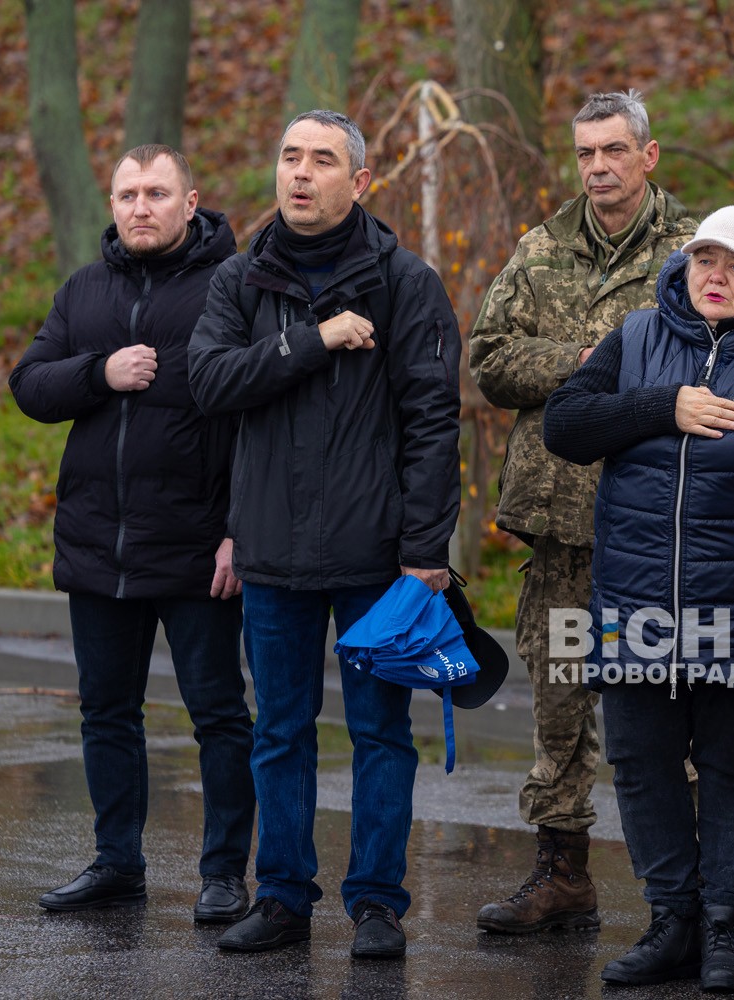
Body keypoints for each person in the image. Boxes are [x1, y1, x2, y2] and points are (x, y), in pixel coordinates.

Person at [188, 110, 461, 960]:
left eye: (322, 161)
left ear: (361, 182)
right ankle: (282, 899)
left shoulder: (404, 281)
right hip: (271, 551)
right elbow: (209, 383)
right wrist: (313, 340)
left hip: (376, 557)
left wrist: (424, 554)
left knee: (381, 734)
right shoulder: (239, 280)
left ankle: (377, 903)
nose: (300, 174)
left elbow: (431, 421)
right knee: (281, 730)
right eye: (289, 158)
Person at [544, 206, 734, 992]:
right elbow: (564, 425)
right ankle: (670, 919)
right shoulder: (636, 335)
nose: (716, 275)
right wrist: (659, 405)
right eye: (705, 258)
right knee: (639, 762)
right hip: (632, 598)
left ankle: (723, 929)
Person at [468, 89, 696, 934]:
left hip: (657, 521)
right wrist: (586, 361)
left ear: (648, 154)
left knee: (671, 703)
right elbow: (489, 361)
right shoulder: (541, 250)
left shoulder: (695, 251)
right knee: (560, 695)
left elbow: (714, 356)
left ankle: (690, 897)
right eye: (584, 154)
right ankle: (562, 872)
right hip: (560, 519)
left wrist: (620, 378)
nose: (597, 167)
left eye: (612, 150)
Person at [9, 144, 255, 924]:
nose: (140, 206)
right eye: (127, 193)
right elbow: (29, 385)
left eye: (157, 192)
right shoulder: (84, 290)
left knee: (218, 713)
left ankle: (223, 875)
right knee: (105, 711)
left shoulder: (235, 286)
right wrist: (99, 372)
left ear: (191, 202)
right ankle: (117, 863)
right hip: (97, 546)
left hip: (197, 548)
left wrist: (237, 532)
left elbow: (262, 420)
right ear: (111, 205)